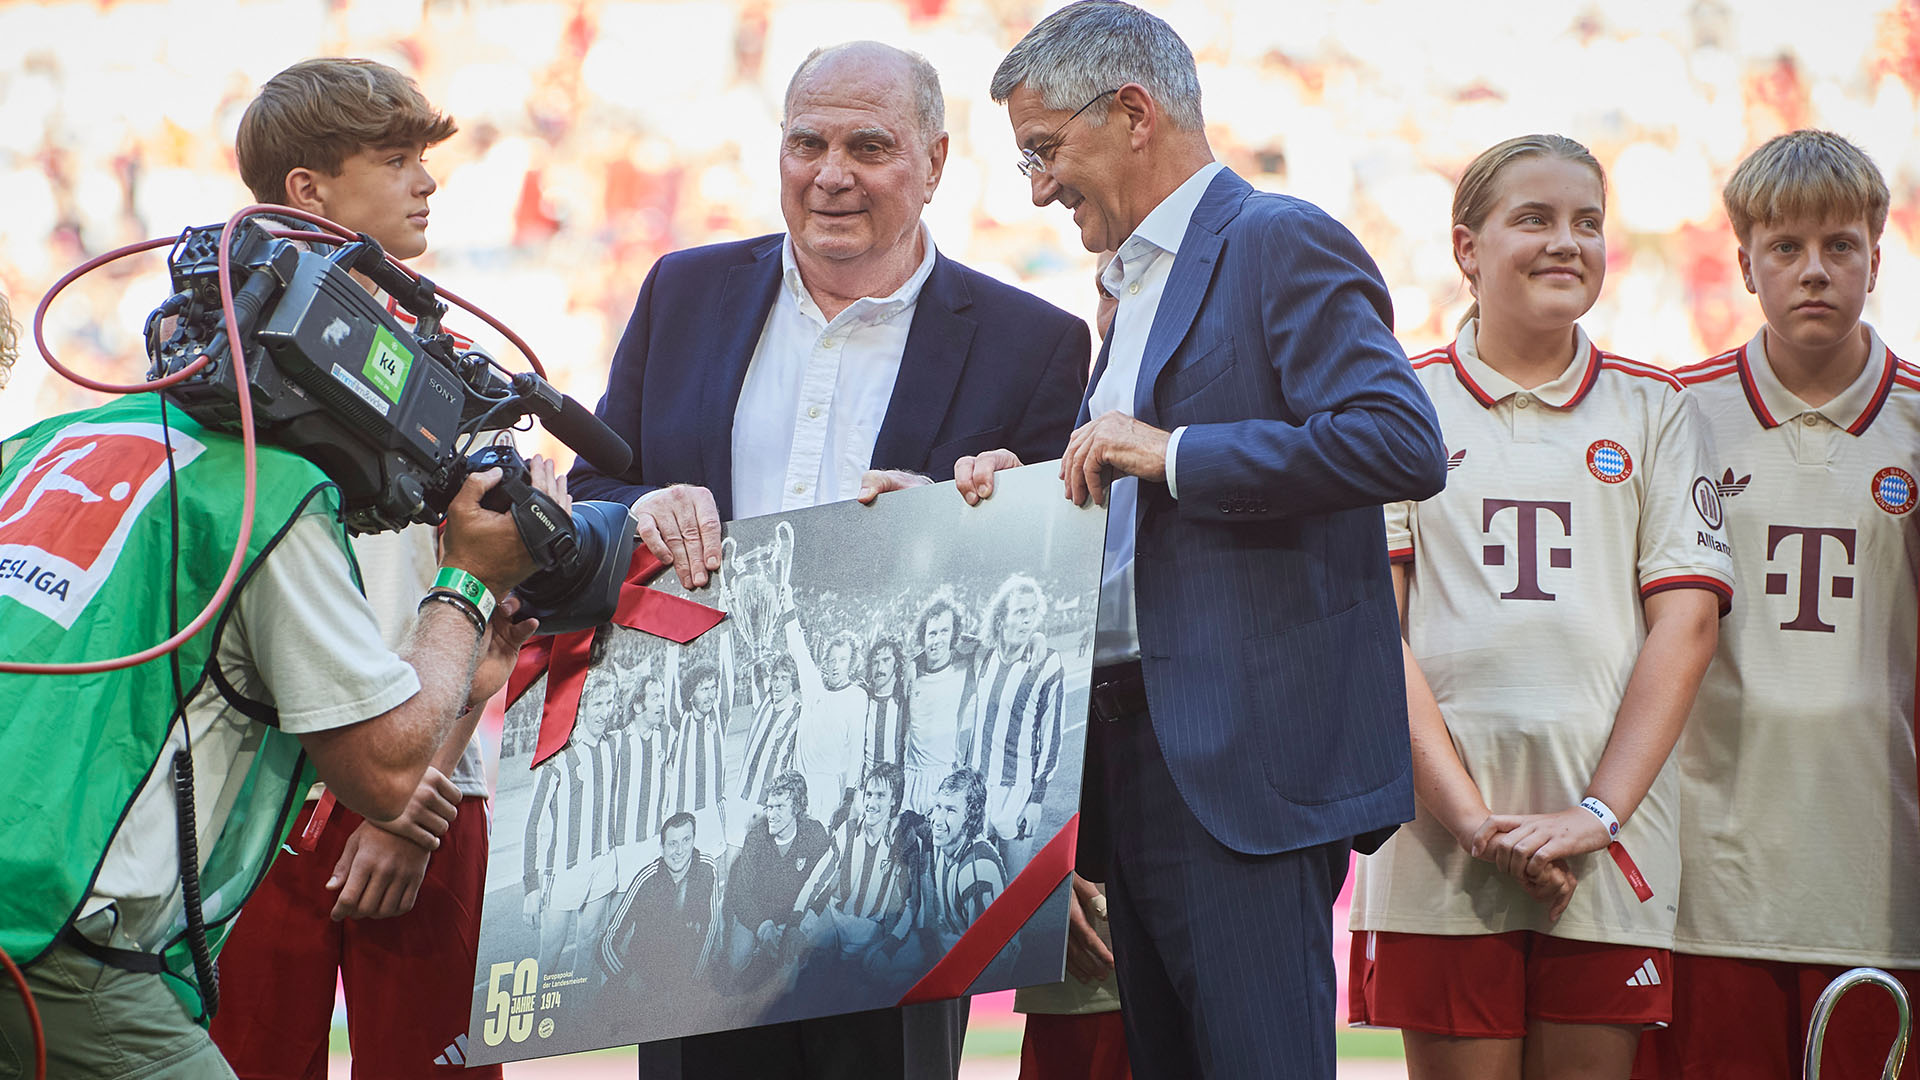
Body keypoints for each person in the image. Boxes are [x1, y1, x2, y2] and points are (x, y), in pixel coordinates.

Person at [567, 38, 1088, 1079]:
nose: (831, 172)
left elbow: (1043, 583)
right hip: (701, 794)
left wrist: (960, 528)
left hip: (888, 827)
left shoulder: (1036, 342)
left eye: (869, 145)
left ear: (935, 164)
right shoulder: (684, 292)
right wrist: (644, 509)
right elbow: (593, 499)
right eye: (806, 141)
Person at [974, 4, 1448, 1075]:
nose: (1041, 187)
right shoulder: (1129, 287)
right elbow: (1129, 497)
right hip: (1139, 753)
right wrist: (1030, 499)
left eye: (1045, 152)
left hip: (1241, 764)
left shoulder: (1277, 238)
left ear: (1132, 113)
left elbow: (1399, 441)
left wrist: (1176, 454)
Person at [0, 224, 548, 1080]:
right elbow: (385, 772)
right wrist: (469, 583)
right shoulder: (269, 491)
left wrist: (458, 677)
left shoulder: (43, 445)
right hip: (57, 934)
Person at [1343, 134, 1731, 1080]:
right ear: (1467, 248)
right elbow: (1372, 636)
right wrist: (1473, 820)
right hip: (1440, 852)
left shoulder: (1656, 407)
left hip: (1610, 849)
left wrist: (1599, 813)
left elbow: (1686, 624)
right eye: (1536, 219)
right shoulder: (1402, 402)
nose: (1568, 242)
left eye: (1587, 223)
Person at [202, 57, 509, 1080]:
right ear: (308, 192)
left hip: (433, 791)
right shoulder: (212, 375)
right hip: (258, 798)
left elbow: (502, 609)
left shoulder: (459, 367)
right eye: (396, 160)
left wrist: (412, 792)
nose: (427, 181)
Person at [1639, 130, 1920, 1080]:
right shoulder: (1675, 414)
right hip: (1708, 883)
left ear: (1876, 259)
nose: (1815, 271)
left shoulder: (1917, 421)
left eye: (1840, 246)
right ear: (1746, 261)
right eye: (1787, 248)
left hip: (1884, 879)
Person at [1013, 252, 1130, 1080]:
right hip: (1088, 861)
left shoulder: (1231, 443)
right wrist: (1044, 862)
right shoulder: (1060, 439)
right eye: (1111, 286)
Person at [522, 677, 621, 979]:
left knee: (589, 940)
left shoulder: (611, 746)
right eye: (597, 704)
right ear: (581, 708)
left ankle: (578, 1009)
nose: (605, 711)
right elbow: (534, 823)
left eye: (609, 703)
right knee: (550, 953)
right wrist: (530, 887)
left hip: (603, 860)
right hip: (564, 869)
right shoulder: (556, 756)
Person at [966, 573, 1065, 865]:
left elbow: (1052, 736)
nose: (1028, 619)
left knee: (1013, 896)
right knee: (972, 890)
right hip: (976, 787)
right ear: (1000, 618)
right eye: (1021, 611)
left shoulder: (1047, 663)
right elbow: (943, 639)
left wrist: (1036, 800)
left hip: (1018, 792)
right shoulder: (981, 656)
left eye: (1033, 611)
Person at [598, 812, 720, 1021]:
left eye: (686, 840)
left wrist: (693, 981)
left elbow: (710, 929)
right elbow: (606, 943)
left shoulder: (708, 868)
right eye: (672, 844)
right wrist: (630, 980)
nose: (679, 851)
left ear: (694, 840)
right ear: (662, 847)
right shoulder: (647, 879)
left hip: (685, 973)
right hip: (644, 973)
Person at [720, 771, 832, 992]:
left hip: (794, 916)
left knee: (792, 974)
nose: (771, 814)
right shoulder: (756, 838)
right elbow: (740, 893)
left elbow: (823, 887)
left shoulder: (815, 834)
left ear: (798, 807)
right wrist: (763, 927)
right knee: (736, 959)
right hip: (758, 914)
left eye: (779, 807)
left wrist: (796, 927)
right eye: (769, 807)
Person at [902, 591, 976, 816]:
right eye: (932, 633)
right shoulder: (912, 672)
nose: (938, 640)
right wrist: (913, 661)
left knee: (941, 848)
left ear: (955, 635)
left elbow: (993, 645)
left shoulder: (966, 668)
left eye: (945, 631)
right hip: (911, 776)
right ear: (922, 637)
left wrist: (1036, 638)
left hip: (945, 775)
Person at [610, 669, 676, 888]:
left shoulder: (667, 736)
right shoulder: (616, 742)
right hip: (623, 845)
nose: (662, 703)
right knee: (620, 915)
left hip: (655, 840)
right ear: (638, 706)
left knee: (653, 912)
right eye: (655, 697)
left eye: (663, 696)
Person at [859, 636, 910, 784]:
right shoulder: (863, 700)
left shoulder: (904, 701)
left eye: (886, 660)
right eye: (875, 662)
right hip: (866, 787)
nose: (880, 668)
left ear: (896, 664)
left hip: (895, 787)